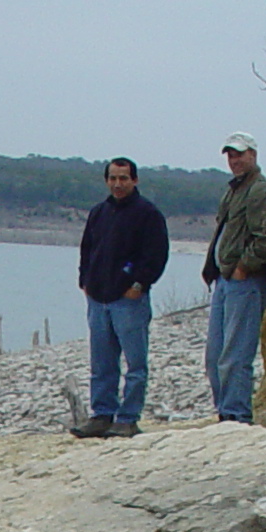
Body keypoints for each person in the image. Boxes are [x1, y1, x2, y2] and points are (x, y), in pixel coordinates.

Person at [73, 157, 171, 438]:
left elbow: (156, 255)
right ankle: (102, 415)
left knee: (135, 364)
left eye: (123, 178)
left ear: (135, 180)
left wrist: (139, 284)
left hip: (129, 301)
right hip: (98, 298)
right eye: (113, 178)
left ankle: (128, 418)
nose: (118, 184)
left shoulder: (148, 214)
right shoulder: (98, 212)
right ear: (107, 180)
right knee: (102, 364)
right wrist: (85, 280)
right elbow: (86, 249)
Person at [201, 132, 266, 422]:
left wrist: (244, 267)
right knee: (215, 358)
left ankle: (236, 415)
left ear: (253, 154)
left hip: (246, 283)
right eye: (230, 155)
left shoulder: (263, 192)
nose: (234, 160)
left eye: (239, 154)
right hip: (225, 281)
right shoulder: (234, 191)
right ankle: (225, 411)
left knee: (236, 356)